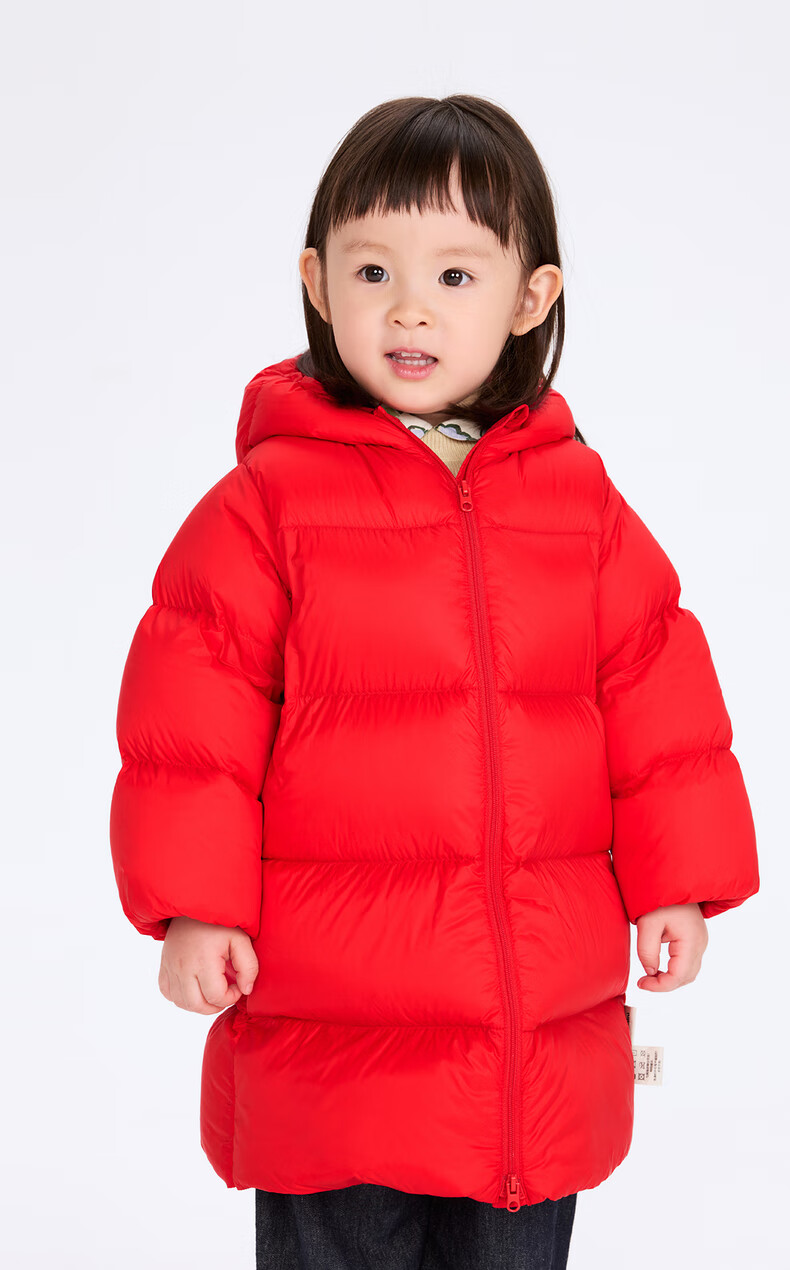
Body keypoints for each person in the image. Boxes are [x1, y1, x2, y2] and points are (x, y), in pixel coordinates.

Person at [109, 95, 760, 1270]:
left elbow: (657, 695)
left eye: (454, 276)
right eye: (373, 270)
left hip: (526, 1049)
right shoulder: (268, 506)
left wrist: (679, 884)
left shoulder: (579, 507)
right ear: (317, 283)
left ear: (529, 297)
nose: (408, 306)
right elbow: (191, 722)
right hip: (330, 1038)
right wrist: (196, 902)